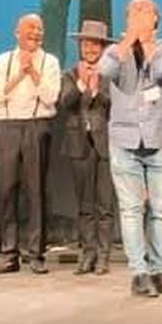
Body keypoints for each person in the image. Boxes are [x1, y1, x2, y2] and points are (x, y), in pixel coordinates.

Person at [95, 0, 162, 298]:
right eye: (135, 10)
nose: (141, 14)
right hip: (124, 140)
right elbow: (105, 72)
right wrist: (128, 41)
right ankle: (139, 273)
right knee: (131, 210)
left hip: (157, 140)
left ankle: (159, 271)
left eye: (146, 10)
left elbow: (160, 72)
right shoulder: (114, 51)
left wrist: (144, 42)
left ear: (156, 18)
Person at [0, 13, 61, 274]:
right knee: (7, 190)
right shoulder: (2, 61)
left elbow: (51, 96)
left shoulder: (50, 62)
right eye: (30, 28)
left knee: (35, 190)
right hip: (7, 128)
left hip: (37, 126)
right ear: (17, 32)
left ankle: (36, 253)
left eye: (39, 28)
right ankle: (9, 253)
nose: (35, 32)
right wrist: (19, 74)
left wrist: (33, 72)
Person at [59, 19, 115, 275]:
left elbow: (115, 104)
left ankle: (104, 255)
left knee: (105, 205)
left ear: (103, 47)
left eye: (95, 44)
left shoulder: (111, 74)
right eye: (86, 44)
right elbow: (65, 103)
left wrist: (95, 91)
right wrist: (82, 84)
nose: (90, 49)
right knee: (84, 205)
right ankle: (88, 253)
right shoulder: (70, 74)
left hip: (105, 144)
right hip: (78, 144)